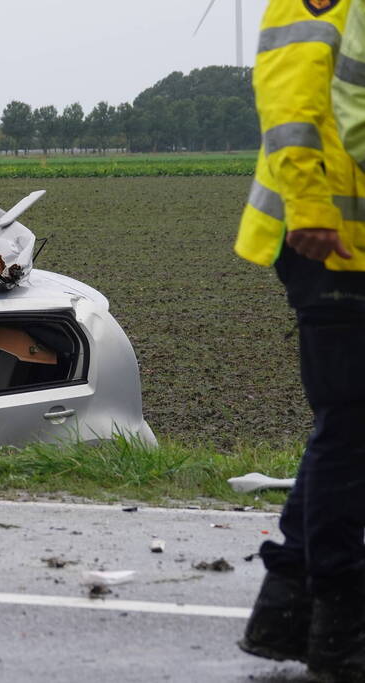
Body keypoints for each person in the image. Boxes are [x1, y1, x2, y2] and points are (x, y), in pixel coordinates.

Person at [236, 0, 365, 680]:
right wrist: (310, 210)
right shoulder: (315, 2)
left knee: (344, 428)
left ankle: (286, 606)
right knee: (348, 427)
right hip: (323, 241)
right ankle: (338, 626)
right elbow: (288, 103)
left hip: (349, 243)